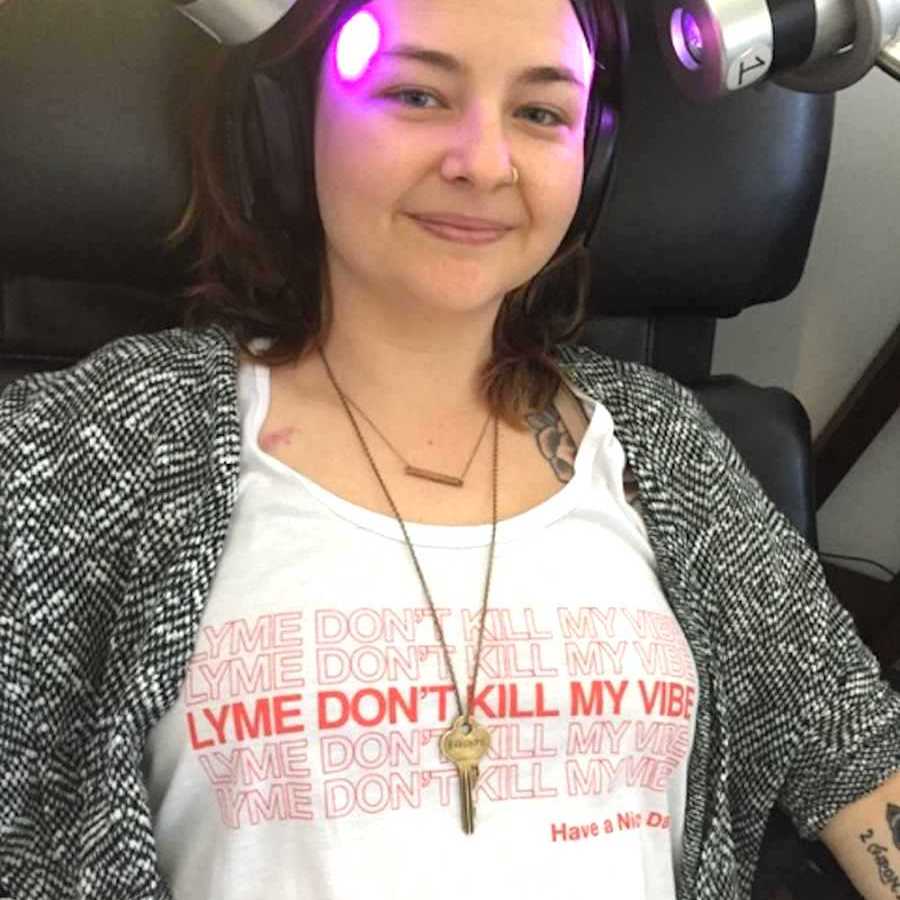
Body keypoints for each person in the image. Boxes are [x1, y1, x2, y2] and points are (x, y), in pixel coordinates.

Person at [2, 0, 900, 898]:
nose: (482, 163)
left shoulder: (667, 449)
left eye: (541, 113)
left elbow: (857, 755)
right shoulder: (106, 436)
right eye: (416, 95)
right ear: (289, 124)